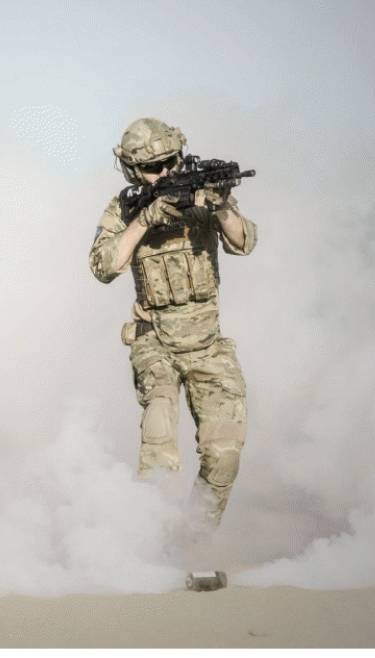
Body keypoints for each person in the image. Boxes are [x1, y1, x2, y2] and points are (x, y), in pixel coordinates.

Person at [89, 118, 257, 528]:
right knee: (159, 444)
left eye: (171, 162)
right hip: (155, 341)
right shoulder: (124, 208)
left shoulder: (204, 193)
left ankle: (191, 543)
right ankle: (149, 540)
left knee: (224, 456)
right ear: (133, 169)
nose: (165, 173)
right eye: (153, 168)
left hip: (208, 344)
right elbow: (103, 266)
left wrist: (219, 205)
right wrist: (144, 220)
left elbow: (244, 241)